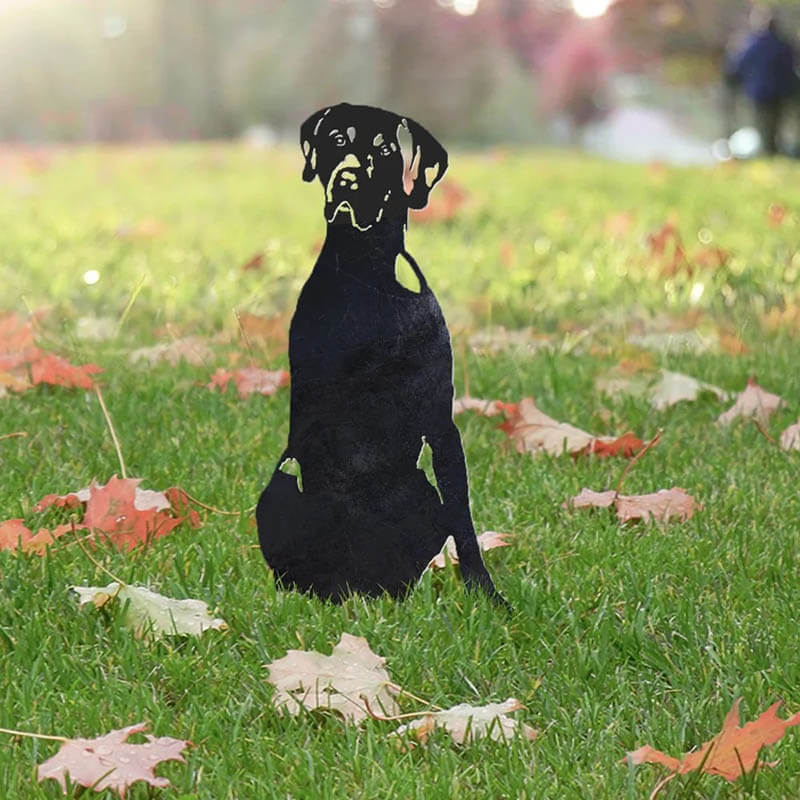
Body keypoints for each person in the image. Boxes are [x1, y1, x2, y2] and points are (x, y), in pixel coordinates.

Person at [726, 6, 800, 155]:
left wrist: (734, 82)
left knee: (764, 126)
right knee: (775, 124)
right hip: (780, 92)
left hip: (759, 93)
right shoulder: (784, 45)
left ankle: (769, 152)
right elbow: (792, 68)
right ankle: (773, 151)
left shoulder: (751, 45)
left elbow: (737, 67)